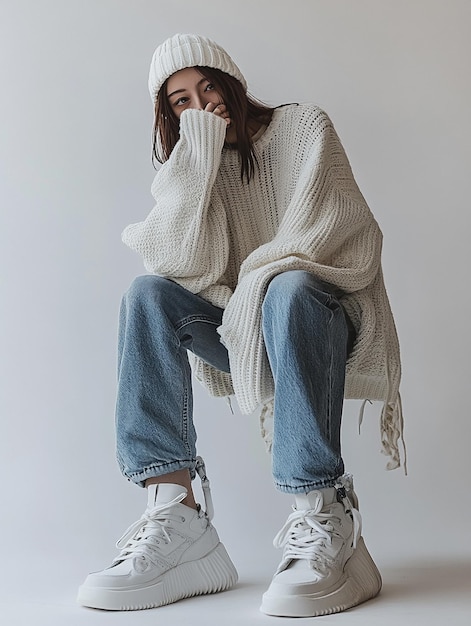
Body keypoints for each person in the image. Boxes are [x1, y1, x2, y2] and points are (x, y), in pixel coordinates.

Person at [77, 33, 404, 617]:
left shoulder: (304, 128)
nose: (201, 105)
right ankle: (177, 513)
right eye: (180, 102)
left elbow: (329, 234)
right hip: (245, 328)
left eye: (208, 86)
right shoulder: (195, 162)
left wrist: (255, 288)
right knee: (147, 295)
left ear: (231, 80)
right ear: (169, 116)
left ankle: (323, 511)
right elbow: (179, 266)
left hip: (325, 318)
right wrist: (197, 167)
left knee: (288, 285)